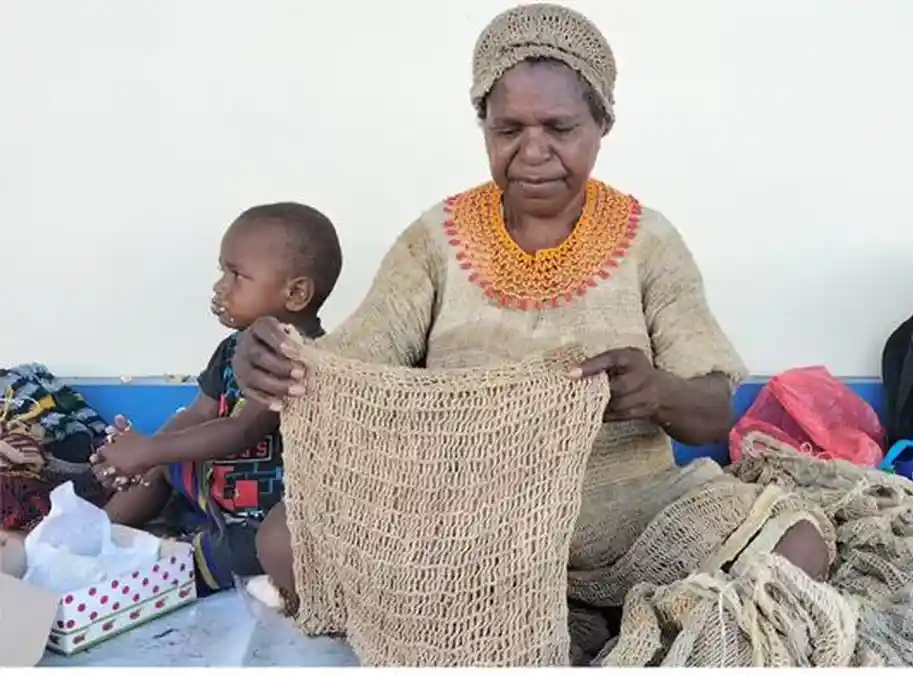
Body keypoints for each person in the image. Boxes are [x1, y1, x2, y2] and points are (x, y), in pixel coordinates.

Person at [233, 3, 831, 660]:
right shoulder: (435, 239)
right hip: (466, 526)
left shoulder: (649, 241)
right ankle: (575, 629)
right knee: (287, 541)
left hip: (637, 519)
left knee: (797, 544)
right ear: (484, 126)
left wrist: (655, 390)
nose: (534, 151)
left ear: (603, 123)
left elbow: (713, 411)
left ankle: (582, 626)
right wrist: (269, 356)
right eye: (508, 128)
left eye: (560, 127)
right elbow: (346, 370)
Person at [94, 202, 343, 596]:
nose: (220, 286)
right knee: (160, 467)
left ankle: (155, 573)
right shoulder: (232, 347)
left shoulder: (302, 359)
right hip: (217, 489)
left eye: (237, 274)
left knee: (217, 557)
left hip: (260, 515)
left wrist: (149, 448)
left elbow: (241, 429)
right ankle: (94, 538)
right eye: (222, 271)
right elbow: (200, 411)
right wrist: (141, 455)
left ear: (295, 293)